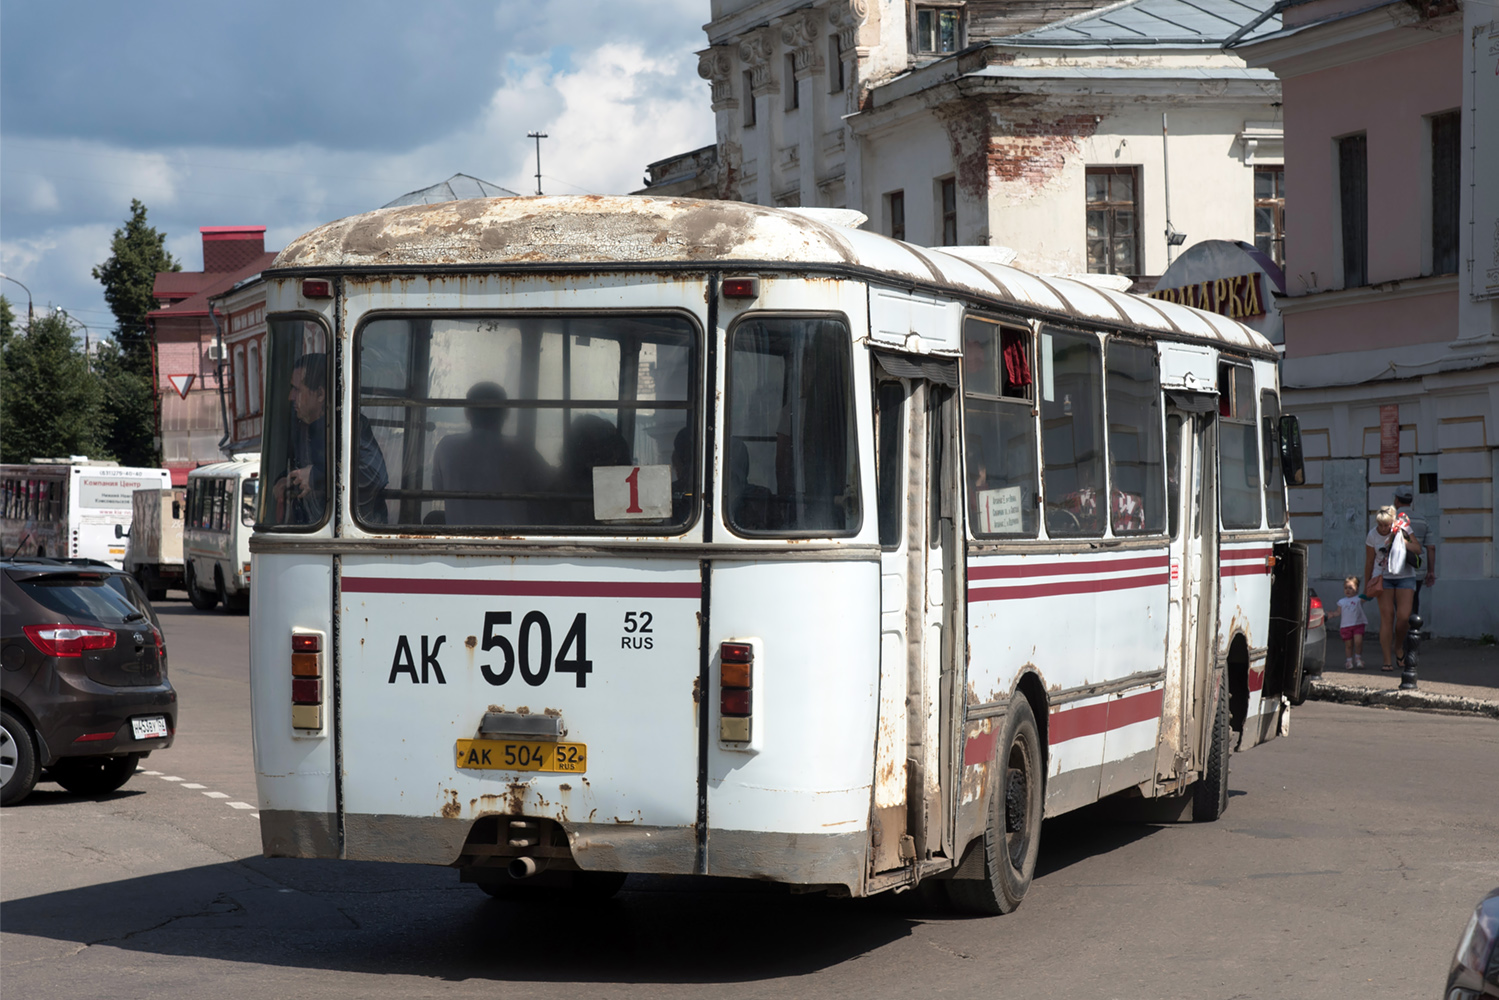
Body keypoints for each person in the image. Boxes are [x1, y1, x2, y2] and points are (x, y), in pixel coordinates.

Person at [272, 353, 390, 525]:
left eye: (297, 389)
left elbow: (373, 475)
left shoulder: (350, 425)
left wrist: (316, 477)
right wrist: (285, 480)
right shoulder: (301, 427)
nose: (291, 396)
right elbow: (301, 467)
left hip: (358, 530)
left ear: (320, 394)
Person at [430, 382, 551, 527]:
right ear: (506, 413)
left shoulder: (446, 447)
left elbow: (438, 489)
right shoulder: (520, 449)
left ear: (467, 413)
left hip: (459, 541)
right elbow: (549, 486)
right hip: (513, 543)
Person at [1363, 504, 1421, 672]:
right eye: (1380, 525)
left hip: (1405, 577)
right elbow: (1369, 561)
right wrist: (1366, 585)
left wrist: (1402, 539)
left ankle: (1398, 647)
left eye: (1386, 525)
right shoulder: (1372, 535)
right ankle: (1387, 660)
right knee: (1387, 617)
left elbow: (1417, 549)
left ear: (1392, 522)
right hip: (1383, 578)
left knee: (1403, 617)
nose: (1382, 529)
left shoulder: (1403, 528)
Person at [1392, 485, 1436, 617]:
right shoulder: (1423, 520)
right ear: (1411, 501)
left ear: (1397, 500)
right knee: (1414, 600)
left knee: (1399, 604)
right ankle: (1414, 631)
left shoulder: (1393, 521)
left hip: (1397, 570)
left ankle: (1404, 633)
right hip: (1418, 569)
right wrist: (1430, 571)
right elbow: (1431, 547)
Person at [1325, 575, 1371, 670]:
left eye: (1350, 588)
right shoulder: (1342, 601)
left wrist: (1372, 588)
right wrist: (1332, 614)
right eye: (1346, 588)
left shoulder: (1359, 598)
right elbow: (1338, 612)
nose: (1348, 590)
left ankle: (1358, 658)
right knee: (1348, 645)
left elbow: (1369, 597)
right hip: (1346, 626)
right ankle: (1349, 661)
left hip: (1358, 624)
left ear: (1357, 589)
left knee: (1358, 642)